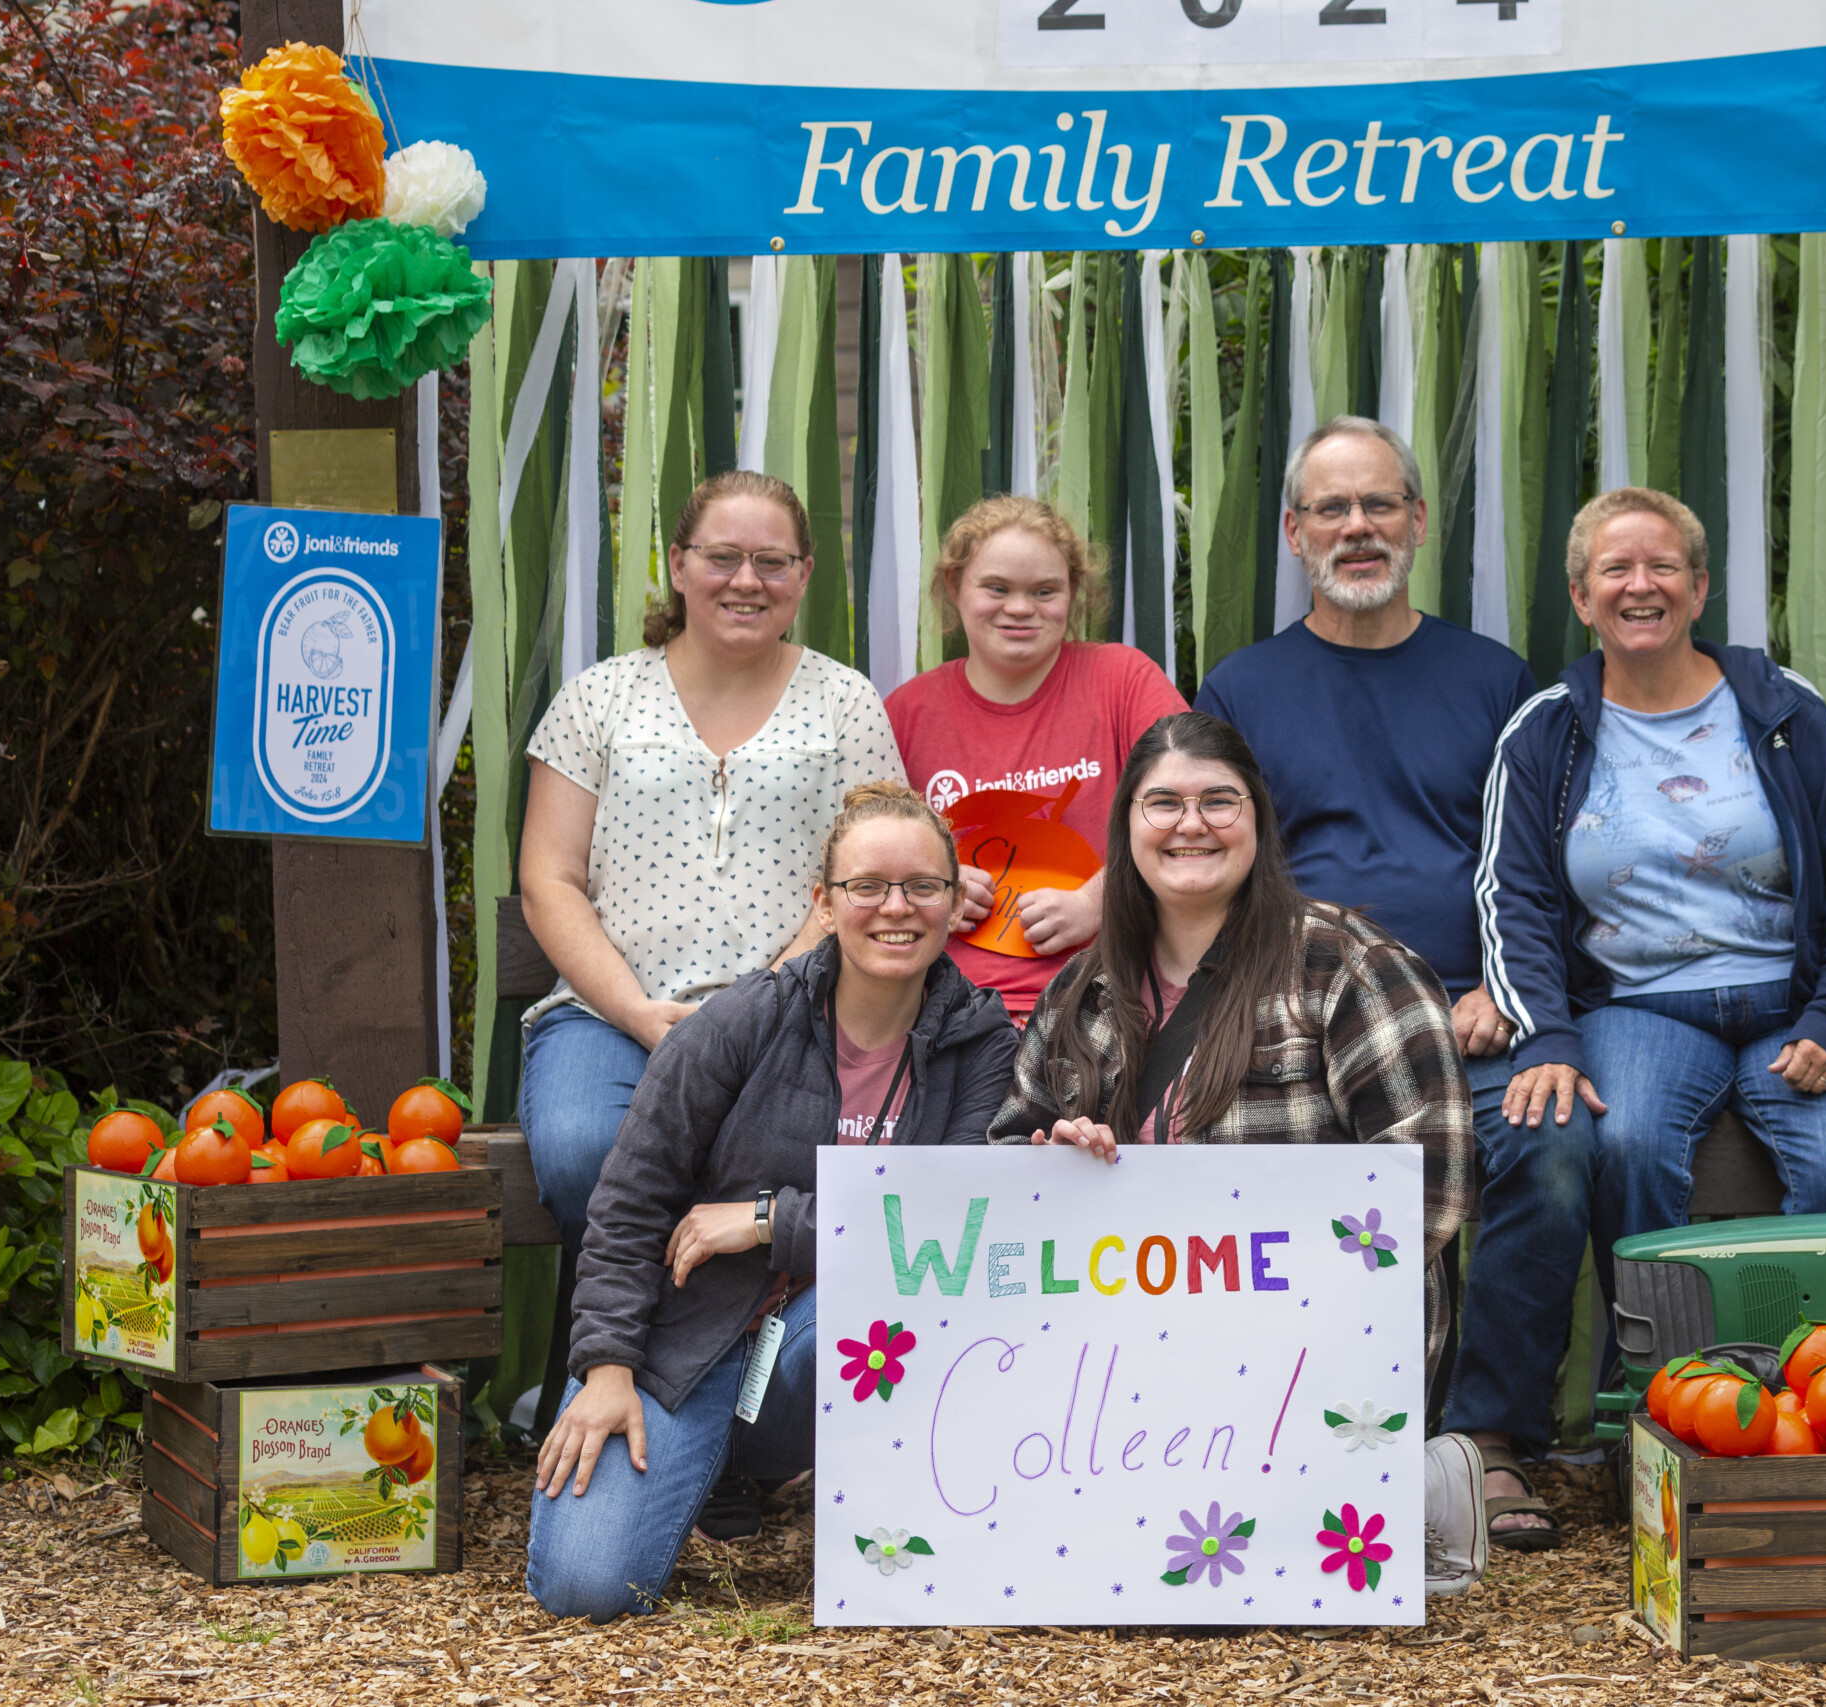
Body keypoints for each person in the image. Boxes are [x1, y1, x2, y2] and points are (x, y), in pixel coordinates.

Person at [1452, 486, 1826, 1534]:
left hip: (1797, 1006)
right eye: (1614, 569)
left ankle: (1817, 1422)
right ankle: (1654, 1417)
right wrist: (1550, 1035)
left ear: (1698, 587)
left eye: (1661, 566)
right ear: (1581, 596)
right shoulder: (1550, 731)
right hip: (1642, 1005)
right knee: (1623, 1149)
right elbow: (1508, 896)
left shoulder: (1781, 710)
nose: (1639, 584)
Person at [988, 711, 1488, 1595]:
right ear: (1127, 827)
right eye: (1164, 803)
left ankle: (1420, 1481)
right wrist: (1050, 1157)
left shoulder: (1348, 966)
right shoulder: (1082, 991)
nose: (1191, 823)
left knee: (1256, 1590)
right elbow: (999, 1179)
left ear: (1258, 819)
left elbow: (1433, 1182)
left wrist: (1275, 1310)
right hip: (1118, 1360)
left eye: (1219, 801)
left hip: (1311, 1350)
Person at [525, 781, 1018, 1623]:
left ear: (952, 899)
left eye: (922, 886)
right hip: (688, 1341)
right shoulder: (743, 1019)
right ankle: (709, 1458)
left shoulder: (981, 1040)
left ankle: (833, 1494)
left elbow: (946, 1222)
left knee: (858, 1323)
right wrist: (606, 1367)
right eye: (867, 886)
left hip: (839, 1338)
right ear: (823, 902)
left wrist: (765, 1221)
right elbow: (629, 1202)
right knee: (587, 1586)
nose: (895, 908)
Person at [1191, 416, 1541, 1538]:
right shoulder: (1239, 688)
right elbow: (1222, 866)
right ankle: (1286, 1435)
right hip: (1309, 1016)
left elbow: (1531, 859)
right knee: (1273, 1158)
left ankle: (1483, 1440)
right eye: (1330, 509)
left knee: (1555, 1147)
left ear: (1418, 523)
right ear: (1294, 533)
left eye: (1378, 504)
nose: (1356, 528)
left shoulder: (1493, 678)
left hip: (1473, 1011)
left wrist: (1507, 987)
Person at [515, 470, 906, 1261]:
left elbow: (870, 877)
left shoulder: (847, 702)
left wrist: (754, 1013)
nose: (746, 581)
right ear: (679, 563)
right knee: (582, 1150)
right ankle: (630, 1358)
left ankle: (717, 1365)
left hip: (792, 1019)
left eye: (773, 561)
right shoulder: (598, 699)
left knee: (778, 1166)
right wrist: (633, 1010)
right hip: (608, 1016)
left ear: (804, 573)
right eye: (722, 556)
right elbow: (548, 878)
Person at [885, 495, 1188, 1022]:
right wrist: (932, 881)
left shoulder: (1123, 680)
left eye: (1044, 591)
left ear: (1073, 593)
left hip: (1112, 999)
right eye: (997, 588)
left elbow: (1191, 803)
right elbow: (864, 855)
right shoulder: (908, 712)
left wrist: (1099, 901)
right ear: (955, 588)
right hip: (948, 1014)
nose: (1020, 608)